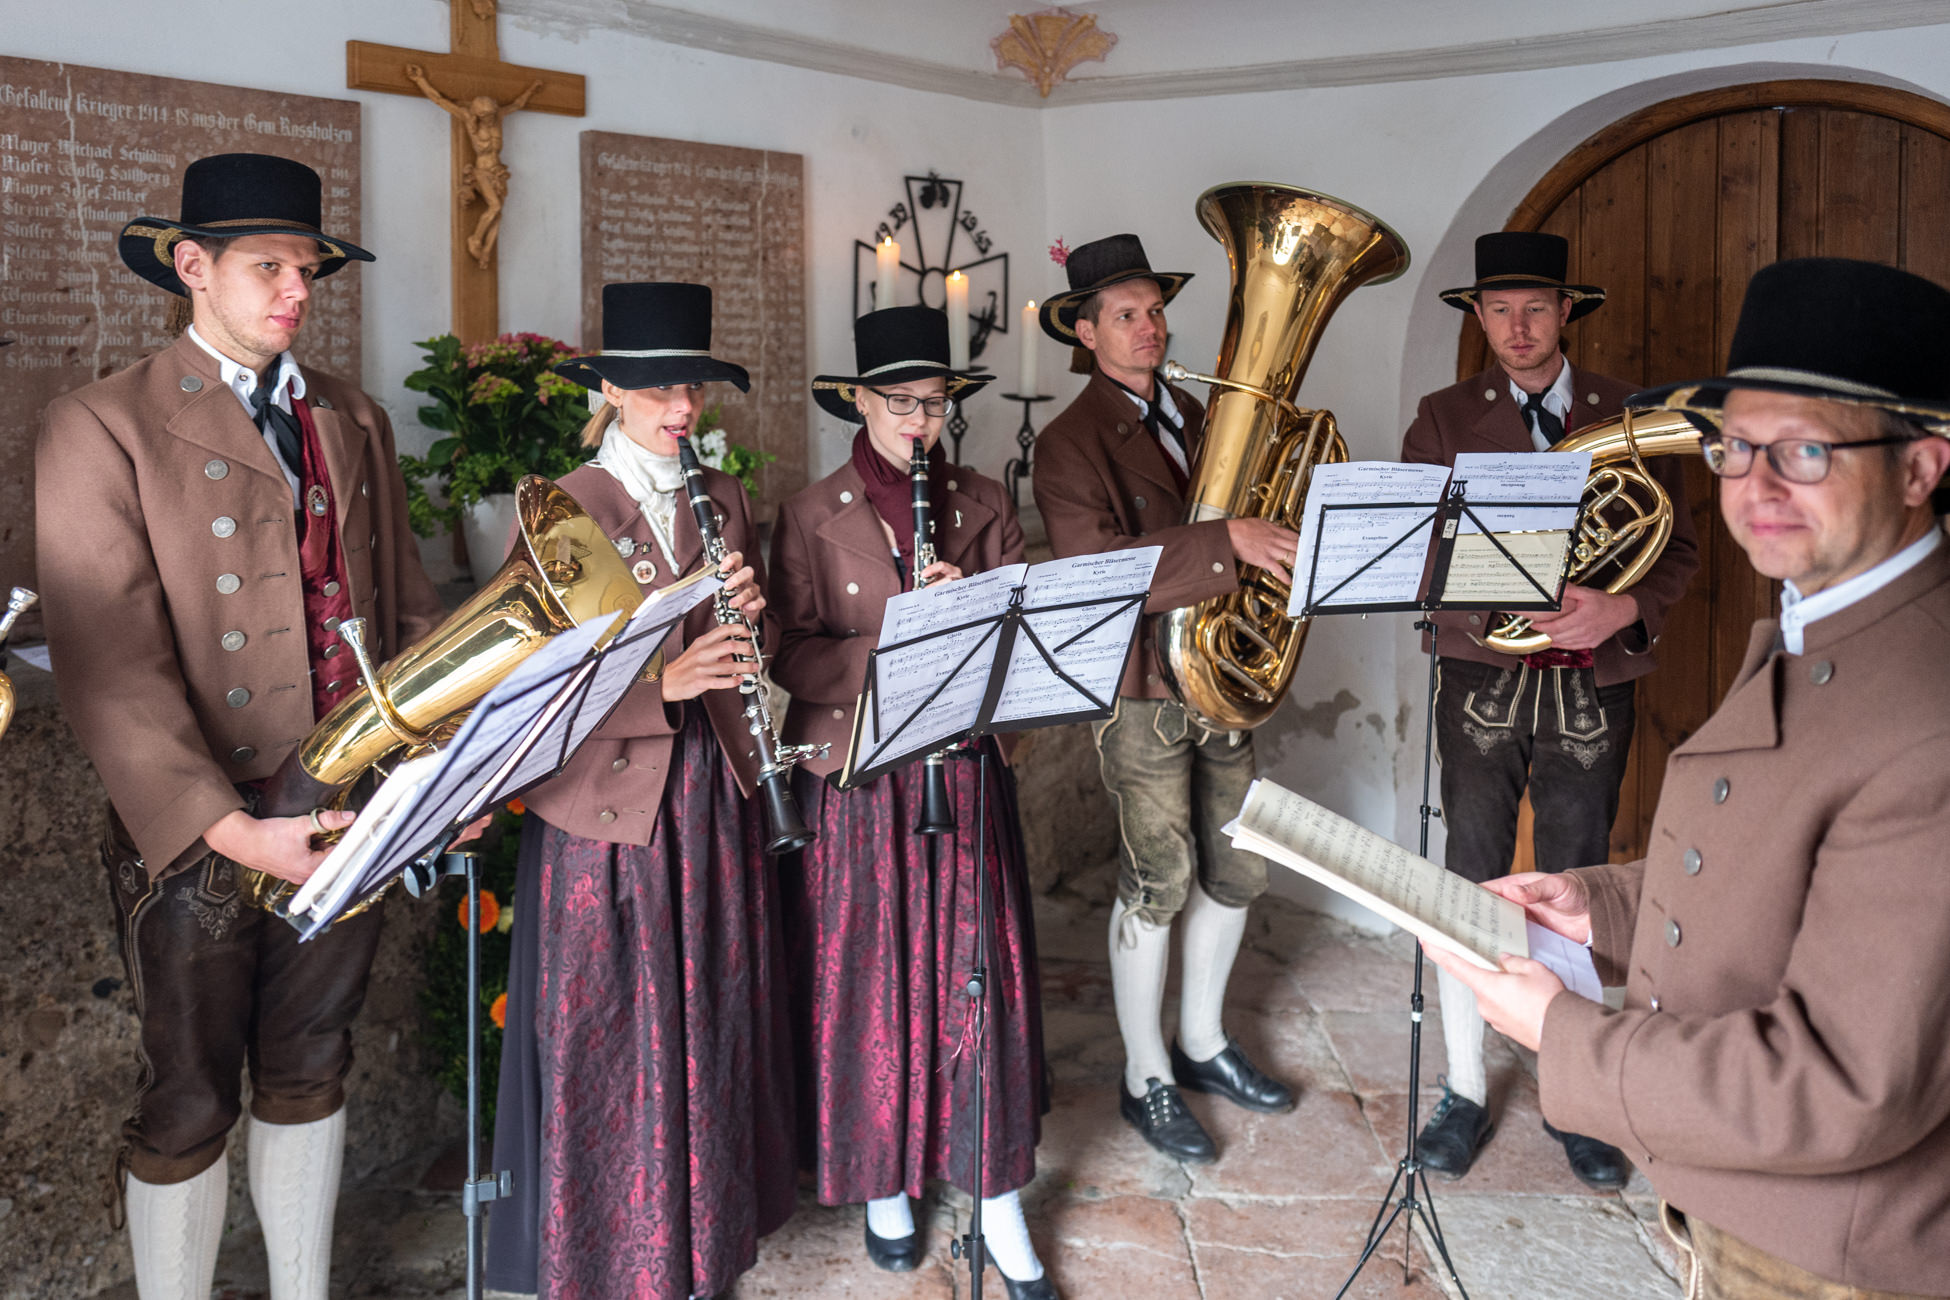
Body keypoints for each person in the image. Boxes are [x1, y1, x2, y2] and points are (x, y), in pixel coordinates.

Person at [1429, 257, 1950, 1299]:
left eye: (1805, 449)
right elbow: (1793, 875)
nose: (1755, 486)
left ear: (1920, 468)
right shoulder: (1829, 619)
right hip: (1747, 1197)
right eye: (1733, 447)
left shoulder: (1924, 711)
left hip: (1824, 1249)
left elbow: (1840, 1085)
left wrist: (1565, 1037)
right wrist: (1606, 904)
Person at [36, 153, 443, 1300]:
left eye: (308, 268)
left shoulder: (353, 417)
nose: (298, 290)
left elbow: (409, 614)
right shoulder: (102, 422)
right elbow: (113, 667)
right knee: (188, 1096)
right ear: (192, 266)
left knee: (314, 1063)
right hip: (201, 825)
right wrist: (229, 829)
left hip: (345, 802)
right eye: (270, 266)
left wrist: (433, 772)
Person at [481, 282, 796, 1299]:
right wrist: (664, 682)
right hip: (606, 817)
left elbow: (749, 649)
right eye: (660, 390)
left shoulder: (724, 495)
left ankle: (701, 1248)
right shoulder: (564, 505)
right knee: (613, 1033)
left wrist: (754, 621)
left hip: (711, 797)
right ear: (611, 390)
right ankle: (611, 1259)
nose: (683, 409)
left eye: (694, 388)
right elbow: (526, 690)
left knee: (711, 1017)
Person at [1401, 230, 1699, 1188]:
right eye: (1499, 309)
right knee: (1471, 872)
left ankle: (1576, 1094)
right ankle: (1463, 1087)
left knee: (1577, 879)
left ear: (1567, 311)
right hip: (1480, 675)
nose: (1518, 327)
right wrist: (1494, 598)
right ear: (1479, 317)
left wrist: (1625, 607)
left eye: (1536, 307)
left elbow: (1678, 548)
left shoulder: (1631, 412)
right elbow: (1418, 550)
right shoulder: (1443, 416)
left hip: (1593, 678)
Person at [768, 306, 1054, 1299]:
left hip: (962, 773)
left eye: (934, 403)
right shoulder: (810, 512)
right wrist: (897, 640)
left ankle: (996, 1192)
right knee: (872, 985)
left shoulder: (983, 499)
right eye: (900, 403)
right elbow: (789, 654)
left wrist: (968, 612)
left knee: (981, 982)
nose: (920, 422)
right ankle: (883, 1178)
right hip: (860, 780)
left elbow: (1028, 637)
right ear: (859, 401)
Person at [1033, 234, 1297, 1166]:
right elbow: (1095, 568)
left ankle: (1202, 1042)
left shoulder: (1198, 411)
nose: (1150, 328)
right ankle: (1144, 1073)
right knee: (1159, 877)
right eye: (1126, 315)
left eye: (1155, 311)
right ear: (1086, 332)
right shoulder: (1067, 443)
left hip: (1220, 677)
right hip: (1142, 687)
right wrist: (1228, 540)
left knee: (1238, 866)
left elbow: (1253, 518)